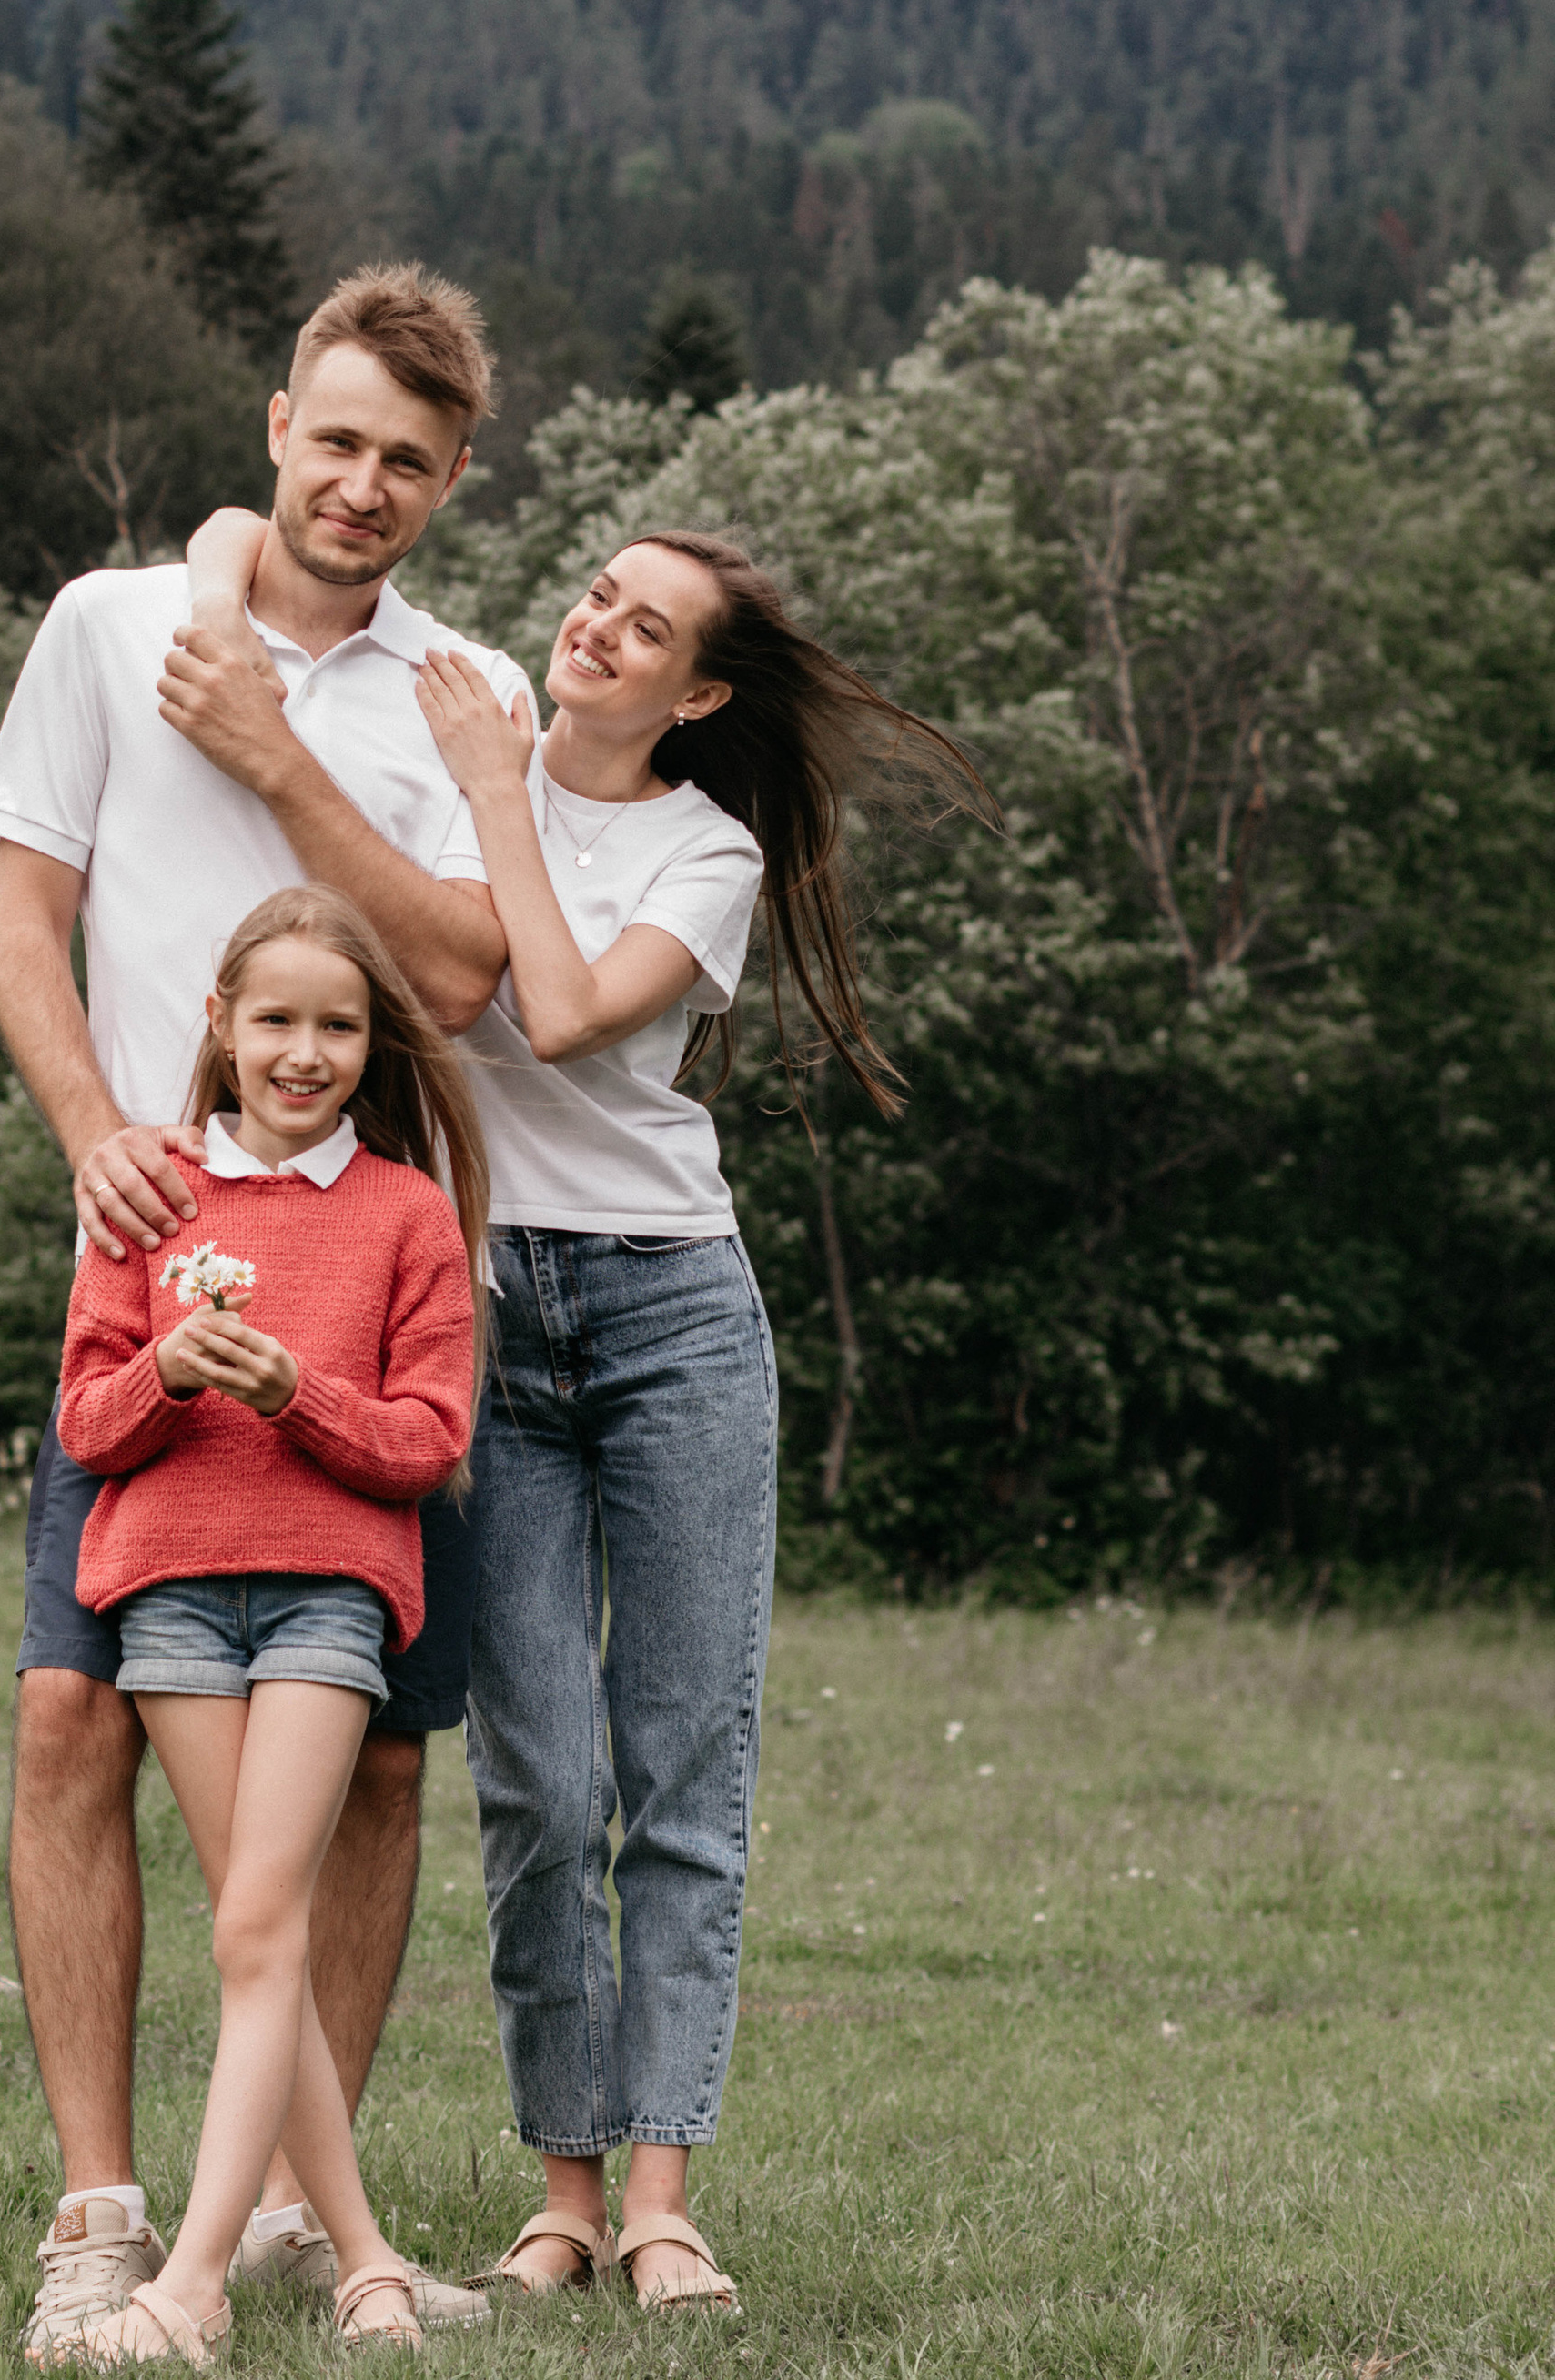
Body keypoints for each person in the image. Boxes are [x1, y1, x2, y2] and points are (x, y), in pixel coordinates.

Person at [0, 263, 529, 2360]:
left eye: (409, 459)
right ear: (275, 419)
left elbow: (463, 979)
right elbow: (24, 912)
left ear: (451, 479)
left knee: (377, 1762)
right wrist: (93, 1131)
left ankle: (304, 2209)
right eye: (337, 436)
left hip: (365, 1280)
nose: (362, 482)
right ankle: (101, 2213)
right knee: (65, 1715)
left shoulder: (452, 690)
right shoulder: (113, 625)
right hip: (154, 1268)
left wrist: (282, 760)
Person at [412, 528, 987, 2314]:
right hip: (486, 1309)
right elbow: (427, 991)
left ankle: (660, 2195)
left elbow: (570, 1015)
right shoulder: (451, 765)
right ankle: (558, 2196)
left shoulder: (701, 845)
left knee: (678, 1765)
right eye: (593, 595)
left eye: (642, 627)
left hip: (669, 1312)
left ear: (700, 691)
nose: (593, 628)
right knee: (534, 1777)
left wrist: (496, 791)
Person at [52, 887, 490, 2364]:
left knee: (254, 1923)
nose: (305, 1053)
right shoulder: (151, 1193)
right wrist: (171, 1368)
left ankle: (188, 2290)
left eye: (340, 1026)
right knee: (261, 1939)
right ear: (221, 1026)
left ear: (376, 1046)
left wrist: (285, 1388)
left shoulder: (405, 1214)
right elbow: (86, 1428)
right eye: (279, 1021)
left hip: (328, 1592)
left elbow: (429, 1444)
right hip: (170, 1595)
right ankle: (363, 2261)